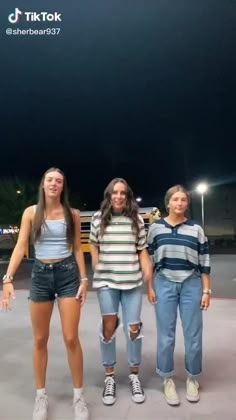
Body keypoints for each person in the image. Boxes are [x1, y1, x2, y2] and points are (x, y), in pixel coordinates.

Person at [0, 167, 89, 420]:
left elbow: (78, 249)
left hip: (68, 275)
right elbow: (20, 246)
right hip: (40, 276)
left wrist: (84, 279)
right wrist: (8, 278)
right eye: (50, 180)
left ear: (62, 186)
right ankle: (41, 396)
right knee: (40, 339)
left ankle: (78, 397)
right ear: (43, 184)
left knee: (71, 338)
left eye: (58, 181)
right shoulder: (31, 212)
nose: (54, 184)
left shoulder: (72, 213)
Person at [89, 177, 152, 406]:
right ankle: (110, 378)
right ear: (109, 195)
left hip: (132, 282)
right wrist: (97, 267)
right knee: (108, 328)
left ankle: (134, 375)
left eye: (123, 193)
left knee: (133, 328)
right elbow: (93, 245)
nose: (118, 196)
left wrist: (147, 269)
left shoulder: (136, 219)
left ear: (127, 196)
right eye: (114, 193)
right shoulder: (98, 219)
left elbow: (142, 249)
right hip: (107, 282)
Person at [147, 184, 211, 406]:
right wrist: (150, 286)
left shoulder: (196, 229)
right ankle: (167, 379)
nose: (179, 203)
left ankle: (193, 378)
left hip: (191, 283)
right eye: (175, 199)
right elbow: (149, 259)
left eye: (183, 200)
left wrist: (205, 291)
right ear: (168, 203)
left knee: (193, 335)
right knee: (166, 335)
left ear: (187, 203)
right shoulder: (155, 229)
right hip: (163, 282)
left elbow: (204, 261)